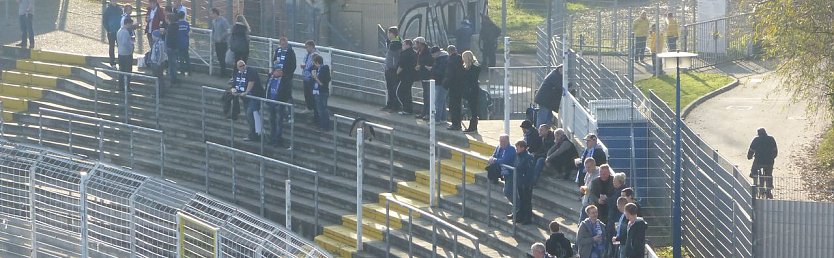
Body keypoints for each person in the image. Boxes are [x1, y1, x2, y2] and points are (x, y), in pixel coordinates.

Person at [229, 60, 262, 141]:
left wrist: (246, 92)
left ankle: (255, 134)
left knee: (250, 114)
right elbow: (234, 84)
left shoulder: (251, 71)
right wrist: (233, 90)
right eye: (240, 66)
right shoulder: (237, 73)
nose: (242, 67)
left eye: (243, 65)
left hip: (254, 97)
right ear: (237, 67)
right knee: (248, 116)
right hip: (245, 99)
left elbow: (251, 82)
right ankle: (253, 133)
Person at [747, 127, 777, 199]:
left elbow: (751, 150)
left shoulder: (756, 140)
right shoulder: (771, 139)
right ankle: (769, 190)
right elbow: (775, 151)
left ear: (758, 134)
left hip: (759, 161)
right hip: (769, 162)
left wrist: (749, 157)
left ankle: (754, 179)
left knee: (754, 169)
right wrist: (772, 157)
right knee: (769, 175)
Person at [265, 68, 292, 147]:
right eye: (277, 71)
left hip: (279, 104)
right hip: (270, 103)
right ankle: (272, 138)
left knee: (279, 122)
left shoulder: (285, 80)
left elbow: (287, 92)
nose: (279, 72)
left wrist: (282, 101)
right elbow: (267, 89)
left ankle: (278, 139)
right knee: (271, 121)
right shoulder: (270, 79)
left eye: (280, 71)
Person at [513, 140, 535, 224]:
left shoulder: (528, 157)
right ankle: (521, 216)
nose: (516, 150)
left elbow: (529, 172)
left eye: (517, 148)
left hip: (526, 184)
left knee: (527, 201)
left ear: (523, 148)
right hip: (519, 182)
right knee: (522, 200)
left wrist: (526, 183)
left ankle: (527, 218)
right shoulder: (518, 156)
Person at [382, 26, 403, 112]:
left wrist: (395, 66)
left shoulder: (397, 43)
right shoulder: (390, 42)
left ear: (393, 34)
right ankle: (389, 104)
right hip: (388, 68)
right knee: (389, 87)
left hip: (394, 69)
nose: (388, 35)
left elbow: (396, 54)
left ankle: (396, 106)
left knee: (394, 88)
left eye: (389, 33)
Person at [460, 50, 481, 133]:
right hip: (472, 89)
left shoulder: (472, 68)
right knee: (472, 109)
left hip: (471, 90)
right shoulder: (474, 66)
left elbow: (470, 79)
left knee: (473, 109)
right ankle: (473, 126)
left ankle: (473, 127)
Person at [414, 37, 434, 120]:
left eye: (416, 43)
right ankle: (424, 113)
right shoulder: (419, 52)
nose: (415, 45)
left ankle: (428, 114)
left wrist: (421, 66)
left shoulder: (428, 52)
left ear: (420, 44)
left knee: (428, 96)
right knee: (425, 95)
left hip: (427, 77)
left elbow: (429, 62)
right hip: (422, 75)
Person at [445, 45, 464, 131]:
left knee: (453, 106)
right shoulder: (460, 58)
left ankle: (455, 124)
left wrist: (445, 84)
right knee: (458, 106)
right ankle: (458, 124)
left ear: (449, 51)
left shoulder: (450, 61)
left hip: (453, 86)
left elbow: (450, 74)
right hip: (460, 86)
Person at [311, 54, 332, 131]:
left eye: (314, 63)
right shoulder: (321, 69)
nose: (314, 65)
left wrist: (315, 77)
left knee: (322, 110)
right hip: (319, 92)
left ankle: (324, 127)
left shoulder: (323, 69)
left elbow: (321, 83)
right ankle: (323, 126)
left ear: (317, 62)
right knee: (321, 110)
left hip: (322, 93)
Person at [396, 39, 417, 115]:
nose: (402, 46)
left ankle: (406, 108)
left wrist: (397, 73)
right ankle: (409, 109)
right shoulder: (414, 53)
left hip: (405, 76)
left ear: (408, 45)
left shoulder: (405, 54)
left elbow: (401, 65)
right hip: (412, 76)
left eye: (403, 45)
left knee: (400, 92)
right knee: (407, 93)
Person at [430, 46, 450, 123]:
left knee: (438, 101)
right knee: (442, 101)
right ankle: (443, 118)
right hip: (442, 82)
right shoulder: (443, 58)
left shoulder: (442, 60)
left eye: (432, 54)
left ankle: (437, 119)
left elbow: (441, 72)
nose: (432, 56)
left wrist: (432, 70)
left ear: (437, 53)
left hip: (440, 82)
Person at [210, 8, 231, 76]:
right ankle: (223, 71)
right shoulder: (213, 21)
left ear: (215, 13)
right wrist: (213, 40)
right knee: (219, 57)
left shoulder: (223, 21)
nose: (211, 15)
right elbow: (213, 31)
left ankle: (223, 72)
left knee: (222, 57)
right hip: (217, 42)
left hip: (223, 42)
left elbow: (228, 30)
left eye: (212, 13)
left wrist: (222, 37)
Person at [116, 18, 136, 90]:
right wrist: (130, 49)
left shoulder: (119, 31)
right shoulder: (126, 32)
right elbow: (126, 43)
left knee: (121, 70)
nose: (131, 26)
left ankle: (120, 86)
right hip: (127, 54)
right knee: (128, 71)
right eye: (130, 24)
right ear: (127, 23)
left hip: (120, 53)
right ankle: (127, 86)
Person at [578, 157, 599, 223]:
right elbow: (587, 187)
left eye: (588, 167)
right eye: (586, 167)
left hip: (592, 204)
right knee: (581, 223)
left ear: (594, 165)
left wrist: (585, 189)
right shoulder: (588, 173)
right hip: (586, 201)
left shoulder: (598, 174)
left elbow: (593, 189)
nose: (587, 169)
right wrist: (583, 189)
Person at [301, 40, 319, 114]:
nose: (306, 49)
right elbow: (305, 62)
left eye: (307, 47)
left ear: (311, 46)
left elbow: (316, 66)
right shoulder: (307, 54)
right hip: (306, 77)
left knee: (312, 95)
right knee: (307, 94)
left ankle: (314, 109)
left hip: (311, 78)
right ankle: (309, 107)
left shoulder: (316, 55)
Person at [103, 1, 123, 66]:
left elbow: (122, 18)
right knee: (112, 47)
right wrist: (108, 30)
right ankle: (112, 62)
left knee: (120, 46)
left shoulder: (119, 9)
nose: (114, 1)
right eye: (113, 0)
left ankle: (121, 61)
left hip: (119, 31)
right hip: (111, 32)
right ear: (110, 1)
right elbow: (104, 21)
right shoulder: (107, 10)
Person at [163, 13, 179, 84]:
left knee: (171, 64)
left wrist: (165, 32)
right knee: (174, 63)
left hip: (170, 47)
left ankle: (173, 79)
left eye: (166, 18)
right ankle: (174, 78)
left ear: (168, 19)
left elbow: (170, 37)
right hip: (175, 47)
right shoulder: (176, 26)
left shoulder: (170, 27)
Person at [174, 11, 191, 77]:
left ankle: (182, 72)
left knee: (181, 58)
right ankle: (190, 71)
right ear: (184, 16)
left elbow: (175, 34)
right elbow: (188, 33)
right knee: (187, 57)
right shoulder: (186, 24)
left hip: (179, 43)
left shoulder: (177, 24)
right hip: (186, 43)